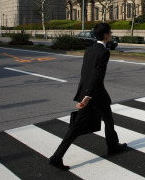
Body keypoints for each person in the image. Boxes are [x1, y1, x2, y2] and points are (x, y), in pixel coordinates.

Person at [49, 23, 127, 171]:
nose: (111, 34)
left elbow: (85, 73)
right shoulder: (104, 53)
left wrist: (83, 93)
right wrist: (87, 96)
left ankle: (113, 145)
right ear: (105, 35)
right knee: (80, 125)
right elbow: (97, 75)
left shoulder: (90, 49)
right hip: (93, 94)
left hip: (91, 92)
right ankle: (56, 157)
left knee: (106, 120)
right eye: (110, 32)